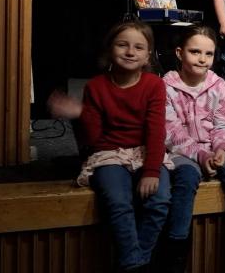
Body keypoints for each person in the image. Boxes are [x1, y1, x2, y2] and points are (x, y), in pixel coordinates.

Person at [77, 21, 172, 271]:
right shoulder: (95, 86)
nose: (130, 52)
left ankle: (136, 260)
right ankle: (135, 264)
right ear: (110, 49)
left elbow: (156, 131)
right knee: (118, 203)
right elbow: (93, 138)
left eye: (138, 47)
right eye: (122, 45)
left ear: (147, 55)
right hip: (108, 154)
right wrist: (80, 113)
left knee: (160, 200)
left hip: (145, 151)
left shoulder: (154, 84)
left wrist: (151, 171)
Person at [162, 26, 225, 272]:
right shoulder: (165, 87)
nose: (202, 59)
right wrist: (201, 155)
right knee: (186, 177)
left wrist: (221, 149)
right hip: (181, 151)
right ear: (179, 53)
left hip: (214, 146)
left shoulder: (219, 85)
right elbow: (171, 132)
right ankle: (176, 250)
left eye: (208, 54)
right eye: (195, 52)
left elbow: (224, 124)